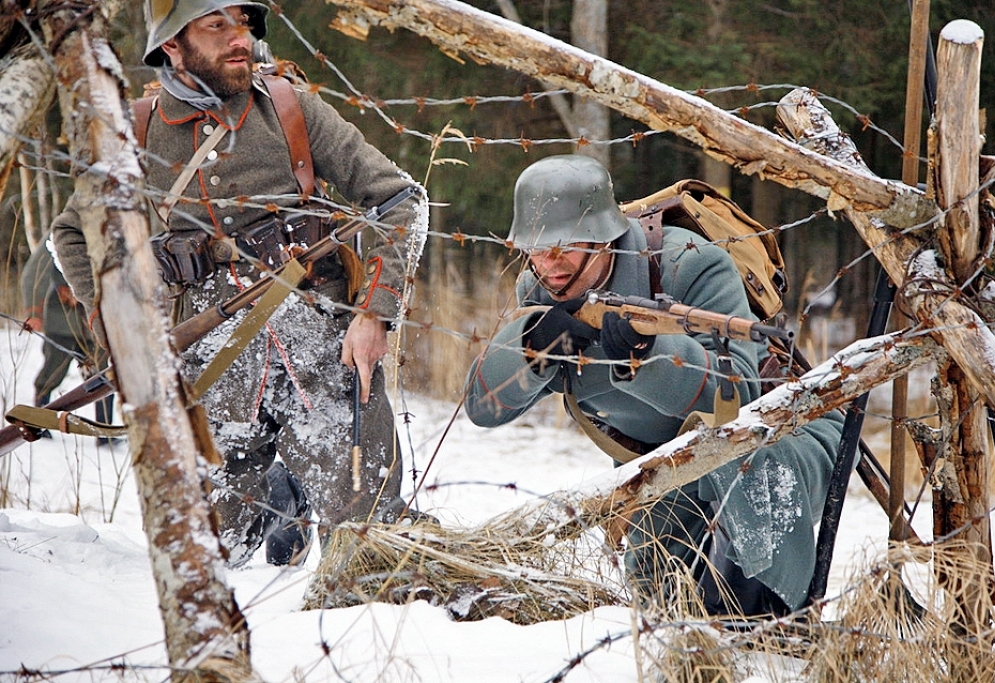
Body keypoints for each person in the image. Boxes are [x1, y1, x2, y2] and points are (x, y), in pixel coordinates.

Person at [52, 0, 427, 567]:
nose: (240, 39)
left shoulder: (290, 108)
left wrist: (374, 313)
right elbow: (71, 234)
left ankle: (309, 490)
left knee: (371, 547)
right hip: (208, 369)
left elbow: (402, 200)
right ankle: (283, 494)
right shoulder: (133, 133)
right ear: (172, 45)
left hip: (324, 351)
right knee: (213, 559)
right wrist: (115, 322)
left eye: (245, 24)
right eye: (217, 25)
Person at [464, 154, 843, 617]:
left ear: (604, 237)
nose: (550, 264)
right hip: (668, 466)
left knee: (754, 596)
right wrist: (536, 344)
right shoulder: (542, 289)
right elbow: (484, 408)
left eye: (565, 247)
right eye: (537, 250)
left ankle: (785, 629)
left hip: (779, 434)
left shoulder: (688, 263)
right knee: (663, 606)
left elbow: (737, 398)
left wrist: (648, 354)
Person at [20, 244, 116, 432]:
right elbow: (33, 272)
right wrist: (33, 310)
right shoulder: (60, 230)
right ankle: (40, 424)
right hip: (61, 321)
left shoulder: (106, 227)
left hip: (93, 323)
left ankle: (105, 432)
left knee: (102, 377)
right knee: (52, 374)